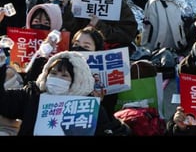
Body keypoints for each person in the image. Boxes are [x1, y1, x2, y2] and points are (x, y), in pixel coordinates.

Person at [0, 51, 129, 136]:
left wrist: (97, 111)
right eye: (53, 73)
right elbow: (3, 102)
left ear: (76, 81)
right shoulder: (31, 95)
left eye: (64, 75)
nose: (57, 78)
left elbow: (120, 132)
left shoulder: (87, 106)